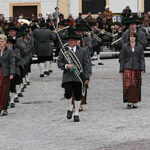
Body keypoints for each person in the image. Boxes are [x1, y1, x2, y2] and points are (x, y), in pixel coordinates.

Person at [57, 32, 90, 122]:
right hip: (67, 76)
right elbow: (59, 63)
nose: (71, 42)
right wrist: (66, 66)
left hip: (79, 76)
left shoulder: (82, 51)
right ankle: (69, 108)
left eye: (73, 40)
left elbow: (86, 64)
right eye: (69, 40)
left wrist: (86, 77)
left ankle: (76, 113)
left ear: (76, 41)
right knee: (67, 93)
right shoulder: (64, 51)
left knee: (78, 95)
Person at [119, 32, 145, 108]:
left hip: (137, 67)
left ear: (136, 38)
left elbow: (142, 58)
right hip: (127, 67)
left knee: (136, 85)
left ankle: (135, 101)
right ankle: (129, 101)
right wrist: (121, 69)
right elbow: (122, 58)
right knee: (128, 85)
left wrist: (142, 68)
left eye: (133, 37)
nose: (132, 38)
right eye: (131, 36)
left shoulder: (140, 46)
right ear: (129, 38)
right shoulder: (125, 46)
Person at [0, 34, 15, 115]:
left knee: (5, 91)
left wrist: (12, 73)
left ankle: (5, 108)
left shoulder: (9, 50)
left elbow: (12, 63)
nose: (0, 43)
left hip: (6, 73)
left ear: (5, 42)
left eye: (2, 41)